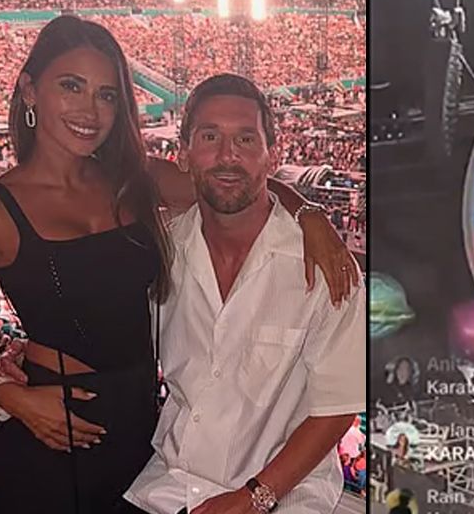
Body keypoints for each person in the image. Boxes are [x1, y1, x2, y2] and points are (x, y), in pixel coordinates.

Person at [0, 17, 357, 514]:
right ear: (30, 90)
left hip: (143, 440)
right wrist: (7, 396)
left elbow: (234, 182)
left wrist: (310, 214)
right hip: (53, 427)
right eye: (71, 86)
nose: (90, 110)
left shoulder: (133, 179)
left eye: (107, 95)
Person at [120, 74, 365, 514]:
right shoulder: (163, 254)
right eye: (210, 137)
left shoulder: (325, 268)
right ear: (184, 154)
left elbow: (337, 407)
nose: (228, 155)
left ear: (272, 155)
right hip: (168, 486)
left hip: (282, 498)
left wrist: (255, 497)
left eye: (246, 139)